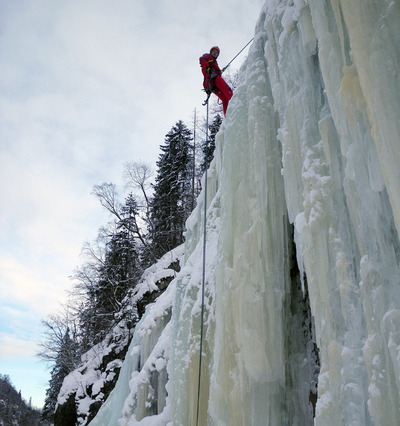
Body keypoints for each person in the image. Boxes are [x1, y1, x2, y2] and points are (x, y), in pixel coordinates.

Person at [199, 46, 233, 116]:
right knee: (228, 91)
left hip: (211, 85)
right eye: (214, 51)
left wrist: (219, 71)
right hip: (213, 79)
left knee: (224, 99)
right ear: (211, 52)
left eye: (217, 53)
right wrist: (208, 69)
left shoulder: (214, 63)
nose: (215, 53)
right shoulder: (207, 57)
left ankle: (228, 116)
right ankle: (236, 104)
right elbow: (202, 61)